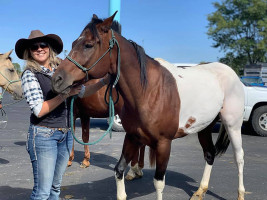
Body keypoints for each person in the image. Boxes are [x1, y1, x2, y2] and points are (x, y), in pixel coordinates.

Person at [15, 30, 110, 200]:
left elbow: (82, 92)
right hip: (43, 136)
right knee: (42, 192)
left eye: (43, 44)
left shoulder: (59, 71)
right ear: (29, 52)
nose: (39, 49)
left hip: (65, 135)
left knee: (55, 188)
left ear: (49, 47)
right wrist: (65, 95)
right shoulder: (30, 74)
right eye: (34, 47)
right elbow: (39, 109)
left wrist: (104, 81)